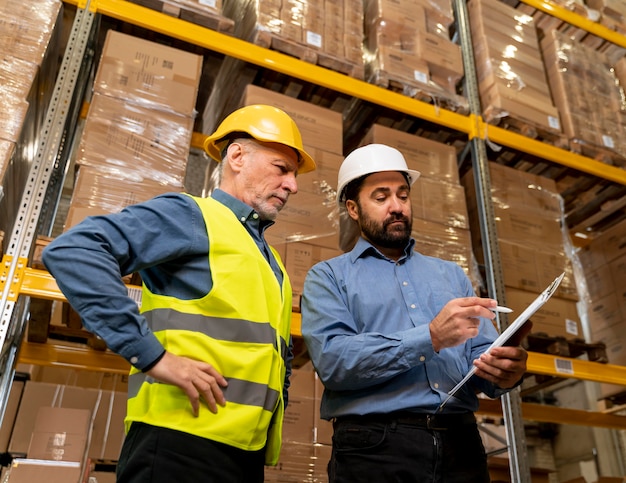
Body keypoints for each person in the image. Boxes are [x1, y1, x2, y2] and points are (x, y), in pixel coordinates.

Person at [42, 104, 316, 483]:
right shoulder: (192, 217)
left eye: (295, 175)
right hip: (179, 447)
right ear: (237, 156)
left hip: (243, 456)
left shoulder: (273, 265)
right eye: (282, 169)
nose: (293, 185)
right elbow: (75, 250)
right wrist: (153, 357)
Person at [300, 143, 529, 482]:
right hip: (375, 449)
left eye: (403, 195)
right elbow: (334, 362)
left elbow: (480, 357)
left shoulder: (451, 275)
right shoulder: (329, 276)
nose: (397, 207)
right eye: (381, 197)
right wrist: (430, 337)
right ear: (352, 208)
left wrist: (505, 372)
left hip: (461, 444)